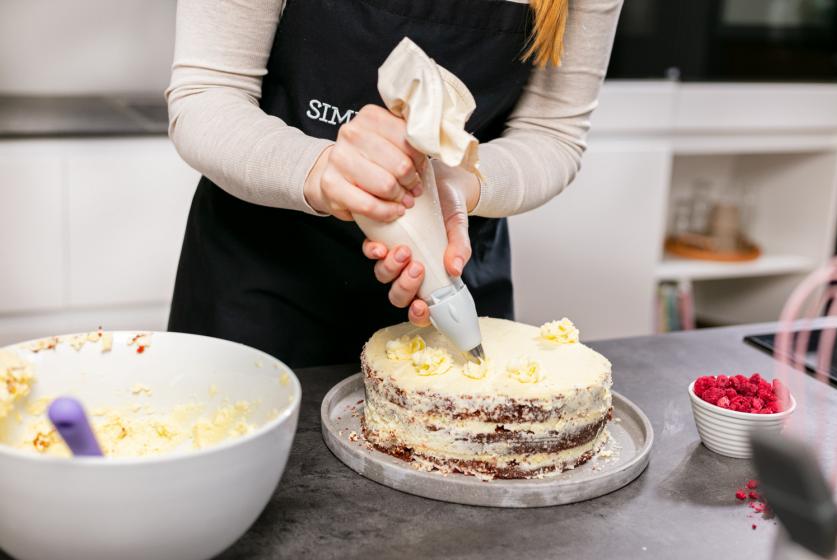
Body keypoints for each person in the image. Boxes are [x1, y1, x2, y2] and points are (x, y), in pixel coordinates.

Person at [166, 0, 623, 368]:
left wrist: (456, 184)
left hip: (450, 266)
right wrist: (322, 169)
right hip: (258, 282)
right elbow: (207, 94)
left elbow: (552, 135)